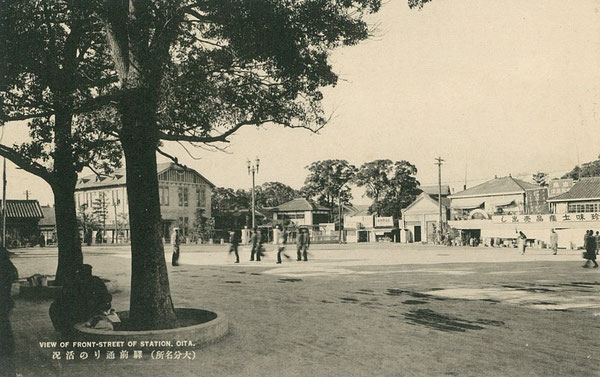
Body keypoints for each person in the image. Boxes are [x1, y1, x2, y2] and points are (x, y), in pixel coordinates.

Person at [49, 264, 112, 335]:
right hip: (80, 311)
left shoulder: (75, 281)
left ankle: (65, 330)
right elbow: (107, 298)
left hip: (79, 311)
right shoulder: (95, 281)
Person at [0, 247, 18, 377]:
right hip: (4, 301)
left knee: (3, 324)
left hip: (3, 300)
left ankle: (6, 348)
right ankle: (7, 347)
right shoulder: (7, 264)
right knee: (4, 324)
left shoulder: (5, 264)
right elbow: (14, 275)